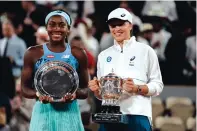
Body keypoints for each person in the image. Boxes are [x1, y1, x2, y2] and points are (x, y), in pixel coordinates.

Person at [88, 8, 164, 131]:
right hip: (109, 116)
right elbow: (103, 95)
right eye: (113, 25)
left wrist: (136, 88)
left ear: (130, 25)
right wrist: (96, 91)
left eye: (121, 24)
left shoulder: (146, 51)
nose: (117, 28)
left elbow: (158, 85)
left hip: (137, 115)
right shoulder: (103, 55)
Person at [21, 10, 89, 131]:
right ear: (47, 27)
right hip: (43, 113)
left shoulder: (79, 53)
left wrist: (75, 94)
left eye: (62, 25)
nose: (56, 28)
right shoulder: (32, 53)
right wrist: (38, 94)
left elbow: (85, 91)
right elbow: (24, 88)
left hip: (69, 113)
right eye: (52, 24)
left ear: (68, 28)